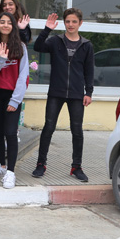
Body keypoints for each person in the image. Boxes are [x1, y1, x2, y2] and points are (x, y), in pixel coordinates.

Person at [32, 9, 95, 182]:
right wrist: (47, 29)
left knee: (77, 131)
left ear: (80, 23)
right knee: (48, 127)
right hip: (56, 92)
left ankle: (76, 167)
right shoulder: (55, 41)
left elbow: (89, 71)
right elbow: (38, 47)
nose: (71, 25)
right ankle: (41, 164)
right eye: (68, 21)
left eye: (74, 21)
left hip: (76, 94)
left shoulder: (86, 45)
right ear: (64, 23)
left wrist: (88, 92)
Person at [0, 11, 30, 189]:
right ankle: (1, 165)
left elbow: (23, 76)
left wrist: (15, 100)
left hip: (12, 94)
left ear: (13, 26)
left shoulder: (21, 46)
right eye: (2, 22)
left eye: (9, 22)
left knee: (10, 133)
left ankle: (11, 171)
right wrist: (1, 60)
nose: (5, 25)